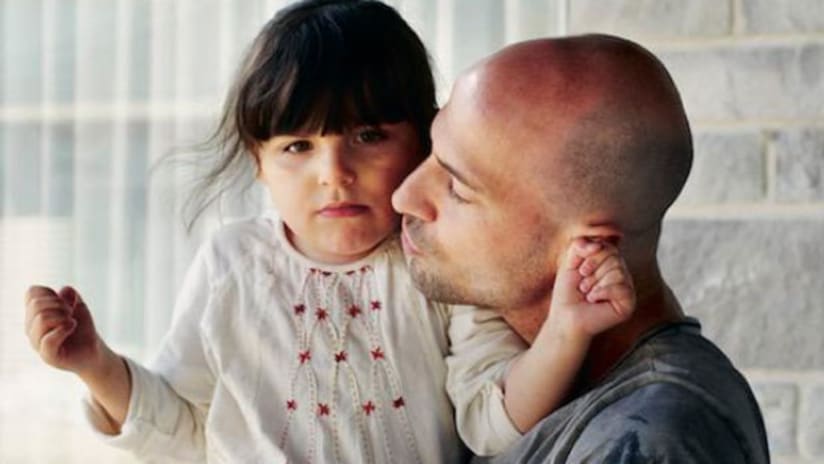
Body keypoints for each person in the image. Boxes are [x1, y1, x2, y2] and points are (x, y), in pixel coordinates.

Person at [23, 2, 636, 462]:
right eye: (297, 146)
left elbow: (492, 419)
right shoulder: (231, 263)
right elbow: (183, 429)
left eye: (367, 137)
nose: (334, 174)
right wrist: (92, 364)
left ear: (424, 142)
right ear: (258, 163)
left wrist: (564, 330)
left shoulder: (437, 260)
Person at [392, 34, 771, 463]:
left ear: (589, 246)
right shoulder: (522, 379)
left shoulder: (649, 442)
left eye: (457, 187)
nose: (403, 197)